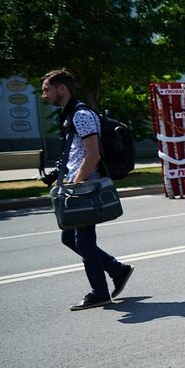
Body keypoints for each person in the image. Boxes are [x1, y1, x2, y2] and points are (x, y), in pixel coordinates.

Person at [40, 69, 134, 310]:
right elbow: (76, 150)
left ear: (62, 88)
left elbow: (93, 154)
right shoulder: (70, 114)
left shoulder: (81, 114)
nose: (44, 95)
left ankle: (100, 291)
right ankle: (117, 269)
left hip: (85, 186)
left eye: (47, 90)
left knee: (82, 240)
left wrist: (76, 182)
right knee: (69, 237)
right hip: (77, 182)